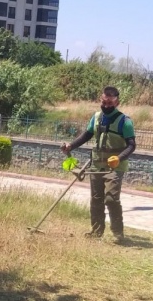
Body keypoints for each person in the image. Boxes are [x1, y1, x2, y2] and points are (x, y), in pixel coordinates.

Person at [60, 86, 135, 241]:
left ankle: (118, 232)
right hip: (96, 165)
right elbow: (87, 135)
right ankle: (96, 232)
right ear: (100, 100)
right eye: (104, 102)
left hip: (115, 167)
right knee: (96, 199)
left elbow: (131, 145)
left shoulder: (125, 121)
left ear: (117, 102)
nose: (106, 106)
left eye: (110, 103)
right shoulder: (96, 117)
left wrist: (119, 158)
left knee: (111, 199)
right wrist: (71, 146)